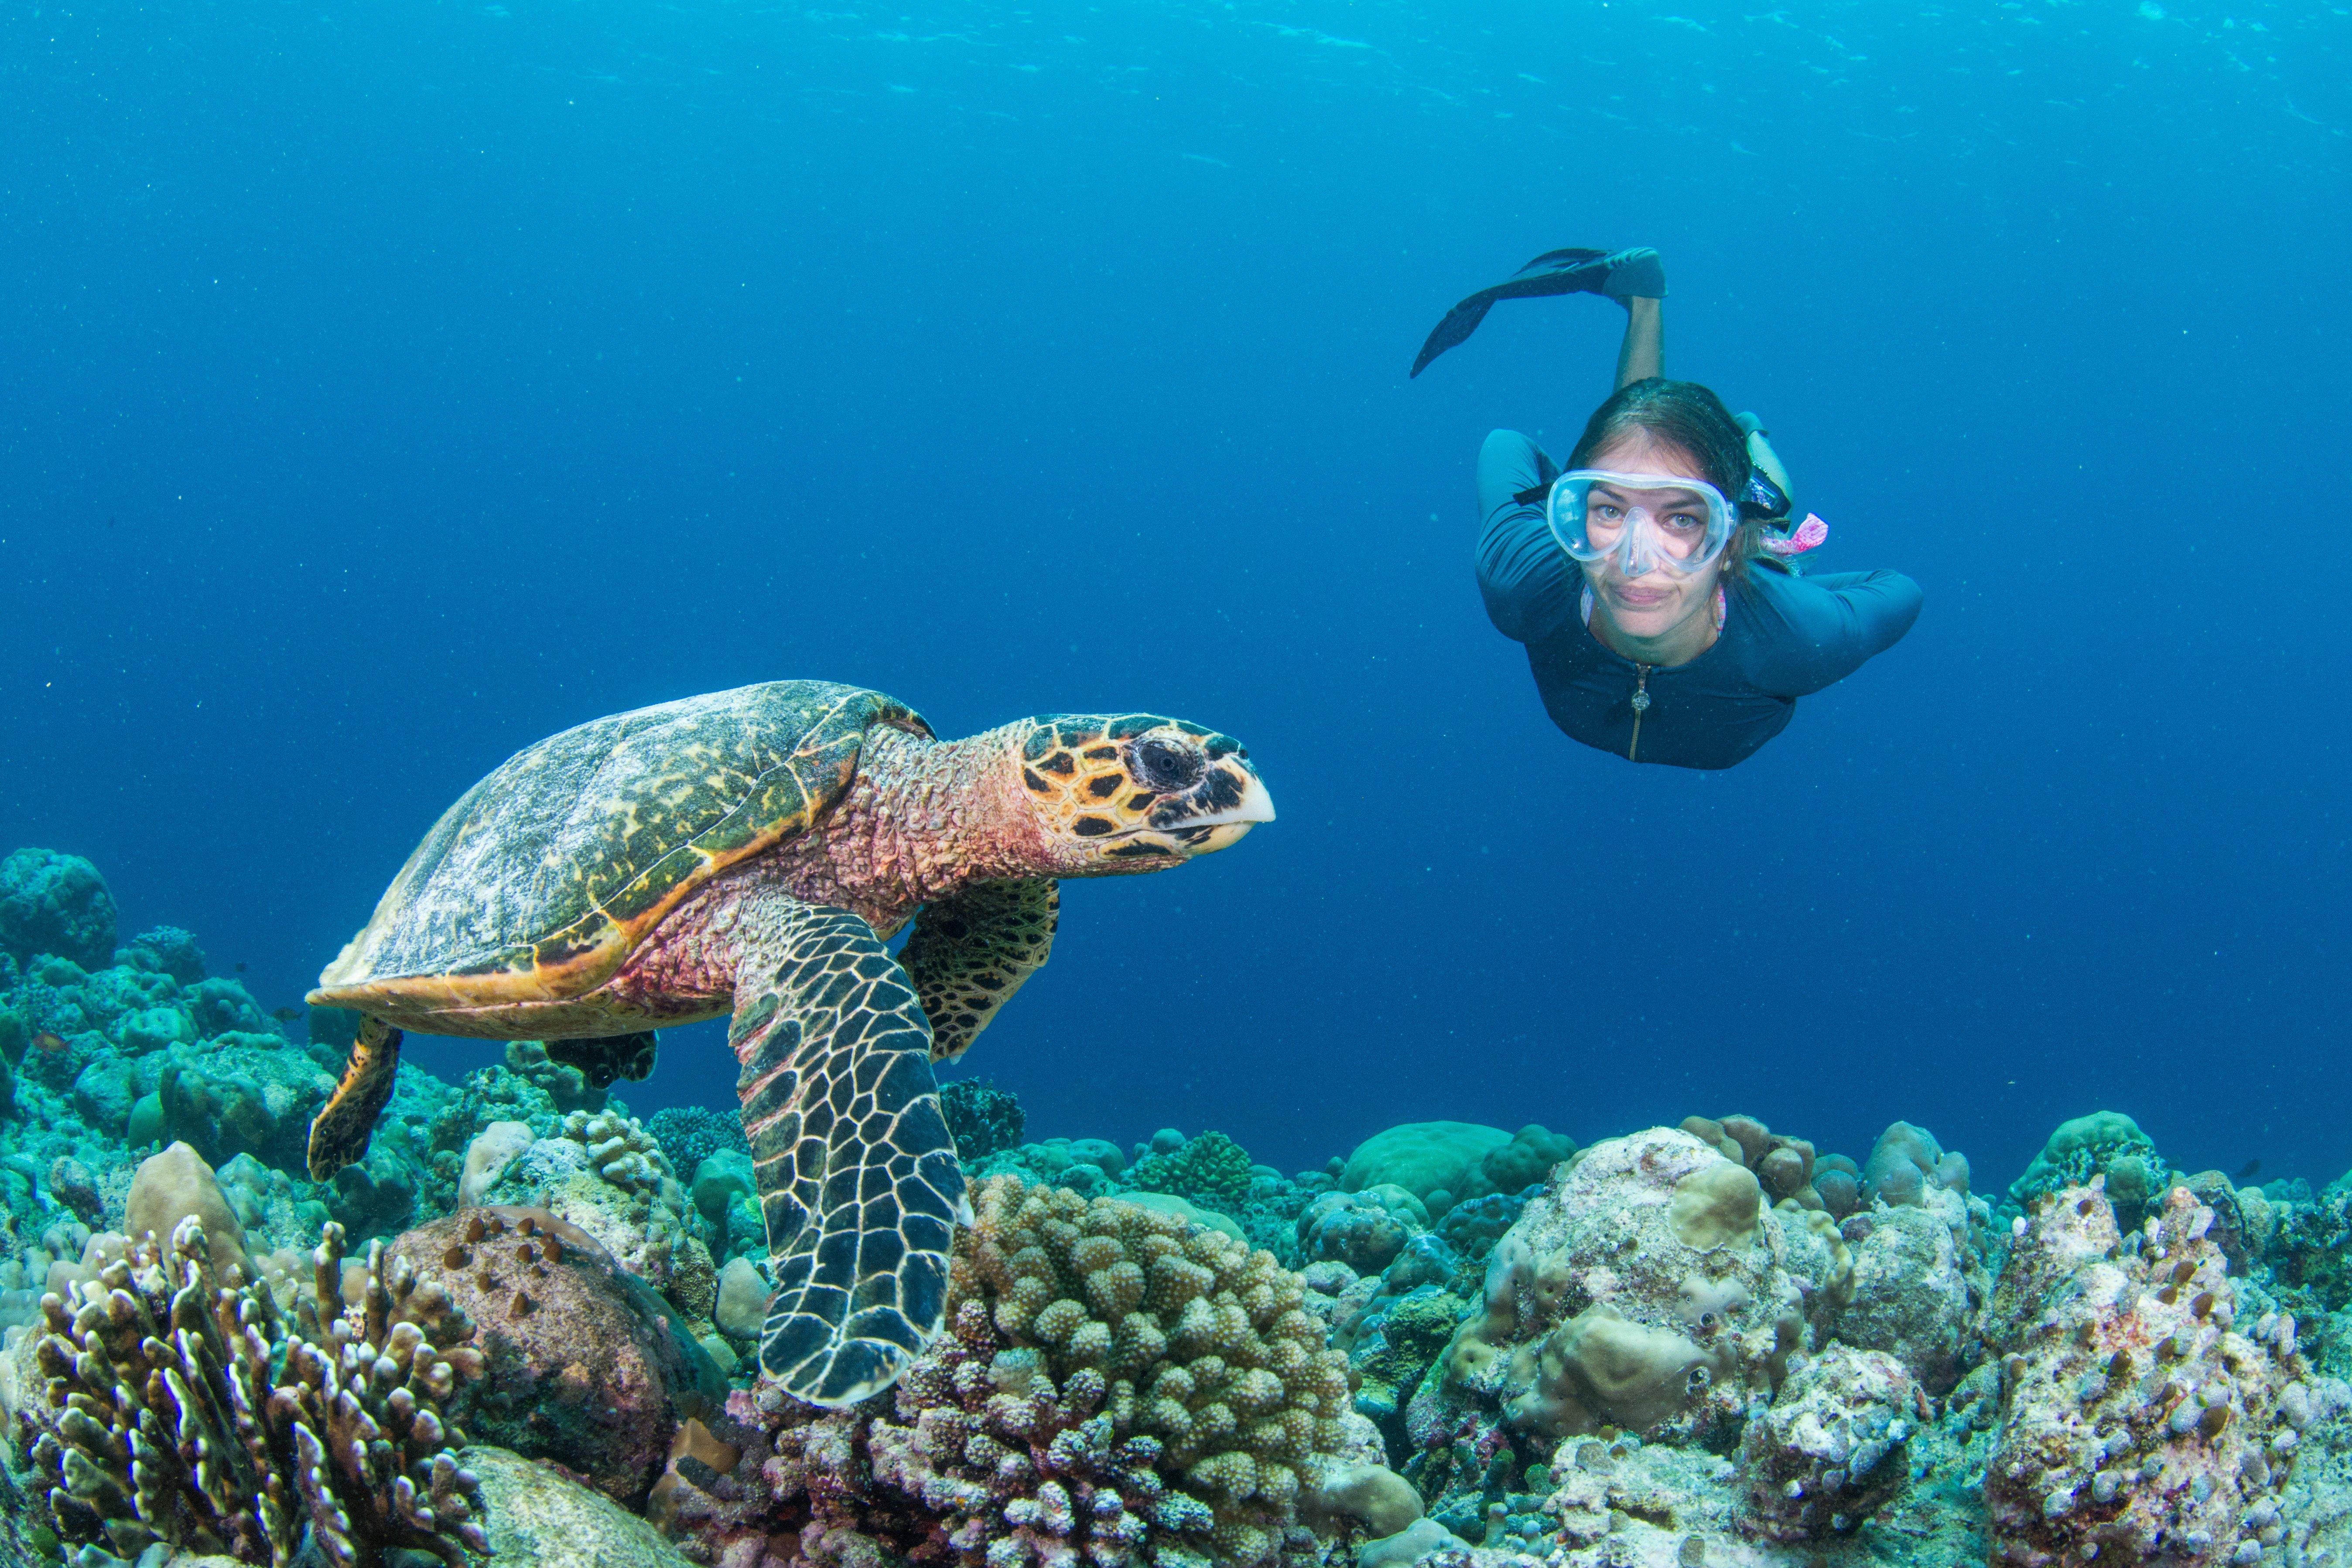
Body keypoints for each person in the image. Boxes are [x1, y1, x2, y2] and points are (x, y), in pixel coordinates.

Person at [1416, 246, 1922, 769]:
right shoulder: (1527, 582)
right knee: (1636, 440)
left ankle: (1748, 438)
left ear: (1727, 543)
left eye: (1683, 518)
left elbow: (1899, 589)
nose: (1635, 561)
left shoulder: (1795, 636)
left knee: (1767, 498)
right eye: (1607, 512)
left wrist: (1781, 587)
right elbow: (1504, 443)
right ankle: (1642, 303)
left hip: (1750, 543)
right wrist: (1600, 486)